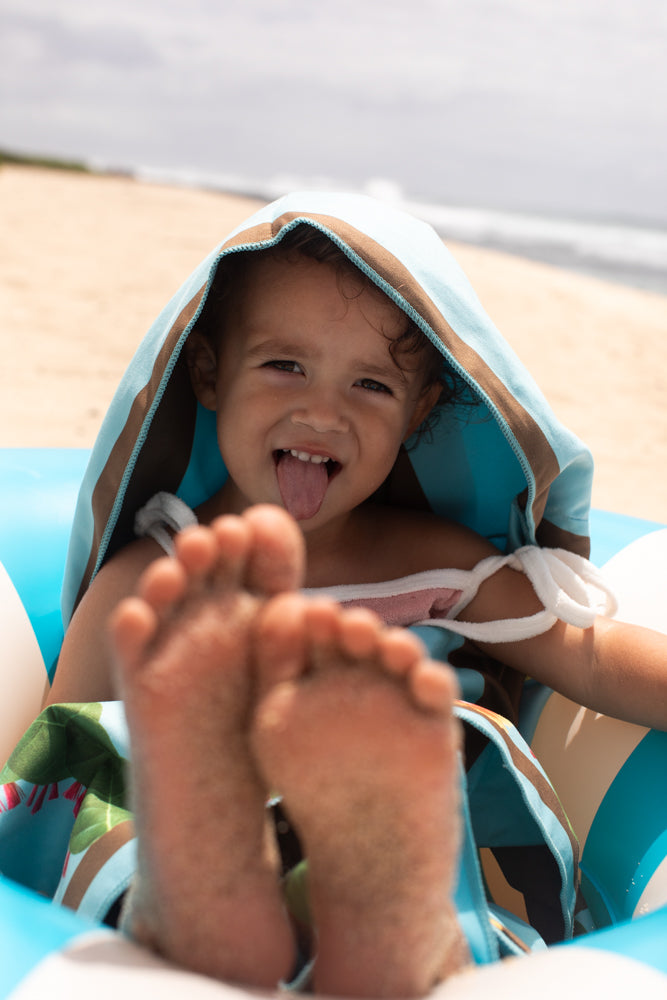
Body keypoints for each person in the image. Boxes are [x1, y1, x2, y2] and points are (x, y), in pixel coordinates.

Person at [40, 196, 667, 995]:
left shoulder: (440, 569)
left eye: (371, 384)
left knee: (452, 747)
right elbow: (55, 767)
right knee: (122, 771)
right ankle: (217, 865)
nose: (322, 412)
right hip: (176, 896)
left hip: (412, 868)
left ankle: (363, 895)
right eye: (284, 365)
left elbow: (597, 660)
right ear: (207, 371)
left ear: (419, 413)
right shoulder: (153, 587)